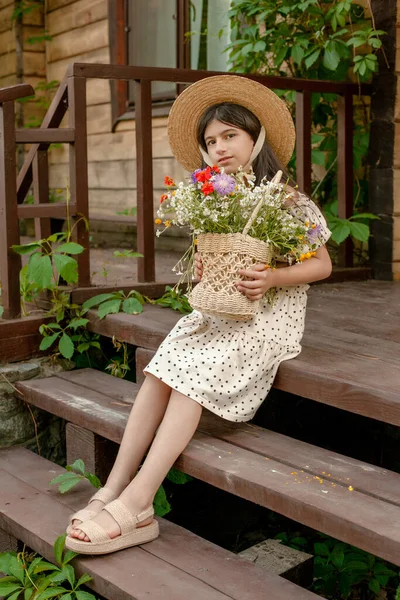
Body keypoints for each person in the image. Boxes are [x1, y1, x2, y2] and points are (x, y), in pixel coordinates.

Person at [66, 75, 332, 555]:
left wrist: (272, 276)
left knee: (191, 374)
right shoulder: (219, 202)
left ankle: (140, 504)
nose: (219, 147)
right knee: (161, 366)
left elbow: (322, 264)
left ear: (257, 138)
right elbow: (211, 263)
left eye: (230, 135)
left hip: (267, 317)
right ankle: (114, 486)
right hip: (222, 312)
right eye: (211, 141)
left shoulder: (287, 199)